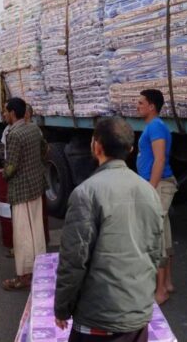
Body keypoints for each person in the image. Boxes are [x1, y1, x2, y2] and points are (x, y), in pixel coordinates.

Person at [54, 117, 163, 342]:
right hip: (137, 315)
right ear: (131, 150)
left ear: (96, 145)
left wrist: (62, 308)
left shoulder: (86, 193)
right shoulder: (149, 191)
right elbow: (155, 252)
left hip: (98, 318)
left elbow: (73, 261)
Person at [1, 97, 49, 291]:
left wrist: (4, 174)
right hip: (36, 186)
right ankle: (40, 269)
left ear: (13, 113)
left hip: (21, 189)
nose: (4, 114)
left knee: (22, 234)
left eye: (5, 111)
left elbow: (11, 166)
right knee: (36, 230)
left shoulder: (14, 134)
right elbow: (45, 151)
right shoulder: (33, 129)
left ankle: (23, 275)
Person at [137, 89, 178, 305]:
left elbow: (160, 160)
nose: (138, 106)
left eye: (141, 102)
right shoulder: (154, 127)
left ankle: (160, 290)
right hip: (159, 185)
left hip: (159, 186)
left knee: (156, 236)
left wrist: (150, 189)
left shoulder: (156, 127)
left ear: (152, 106)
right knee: (165, 232)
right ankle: (168, 282)